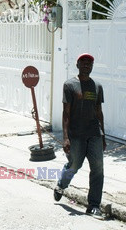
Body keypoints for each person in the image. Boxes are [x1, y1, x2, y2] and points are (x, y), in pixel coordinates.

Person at [53, 53, 106, 219]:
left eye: (89, 63)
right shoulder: (70, 85)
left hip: (94, 134)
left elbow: (99, 112)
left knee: (98, 169)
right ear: (77, 65)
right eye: (83, 62)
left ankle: (94, 205)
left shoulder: (97, 86)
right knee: (74, 165)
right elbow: (66, 113)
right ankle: (61, 184)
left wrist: (103, 135)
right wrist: (66, 137)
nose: (86, 65)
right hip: (76, 135)